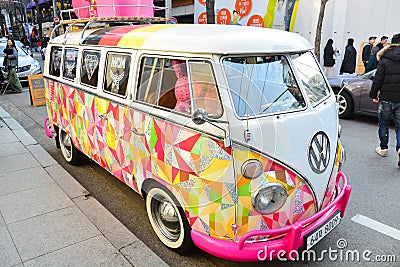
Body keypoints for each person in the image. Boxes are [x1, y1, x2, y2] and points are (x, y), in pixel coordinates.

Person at [369, 33, 400, 166]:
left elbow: (378, 79)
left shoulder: (384, 58)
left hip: (386, 98)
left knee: (384, 123)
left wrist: (373, 95)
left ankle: (383, 148)